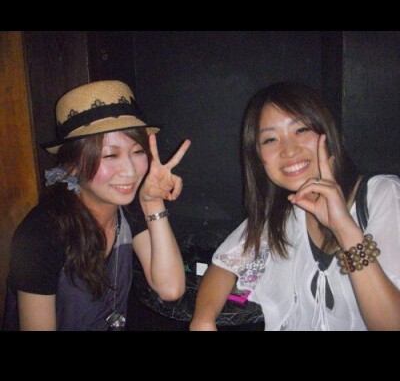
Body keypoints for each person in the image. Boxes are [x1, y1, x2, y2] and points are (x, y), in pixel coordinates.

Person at [190, 81, 400, 331]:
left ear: (326, 133)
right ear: (258, 157)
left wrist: (345, 229)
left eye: (300, 130)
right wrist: (203, 320)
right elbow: (224, 265)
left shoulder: (382, 194)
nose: (289, 150)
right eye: (270, 139)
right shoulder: (286, 212)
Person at [3, 80, 191, 331]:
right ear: (72, 166)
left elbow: (171, 288)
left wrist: (153, 202)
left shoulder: (128, 208)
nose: (130, 171)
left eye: (137, 152)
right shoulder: (41, 233)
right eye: (110, 155)